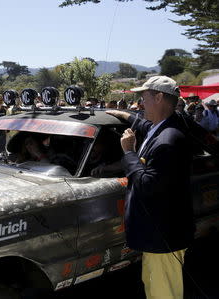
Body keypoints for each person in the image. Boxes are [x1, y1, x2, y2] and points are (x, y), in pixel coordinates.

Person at [106, 76, 194, 299]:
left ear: (159, 97)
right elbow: (145, 124)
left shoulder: (168, 140)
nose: (140, 104)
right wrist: (122, 115)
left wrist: (128, 153)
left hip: (163, 236)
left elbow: (147, 185)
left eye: (144, 98)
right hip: (160, 234)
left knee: (163, 293)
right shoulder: (166, 126)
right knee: (155, 287)